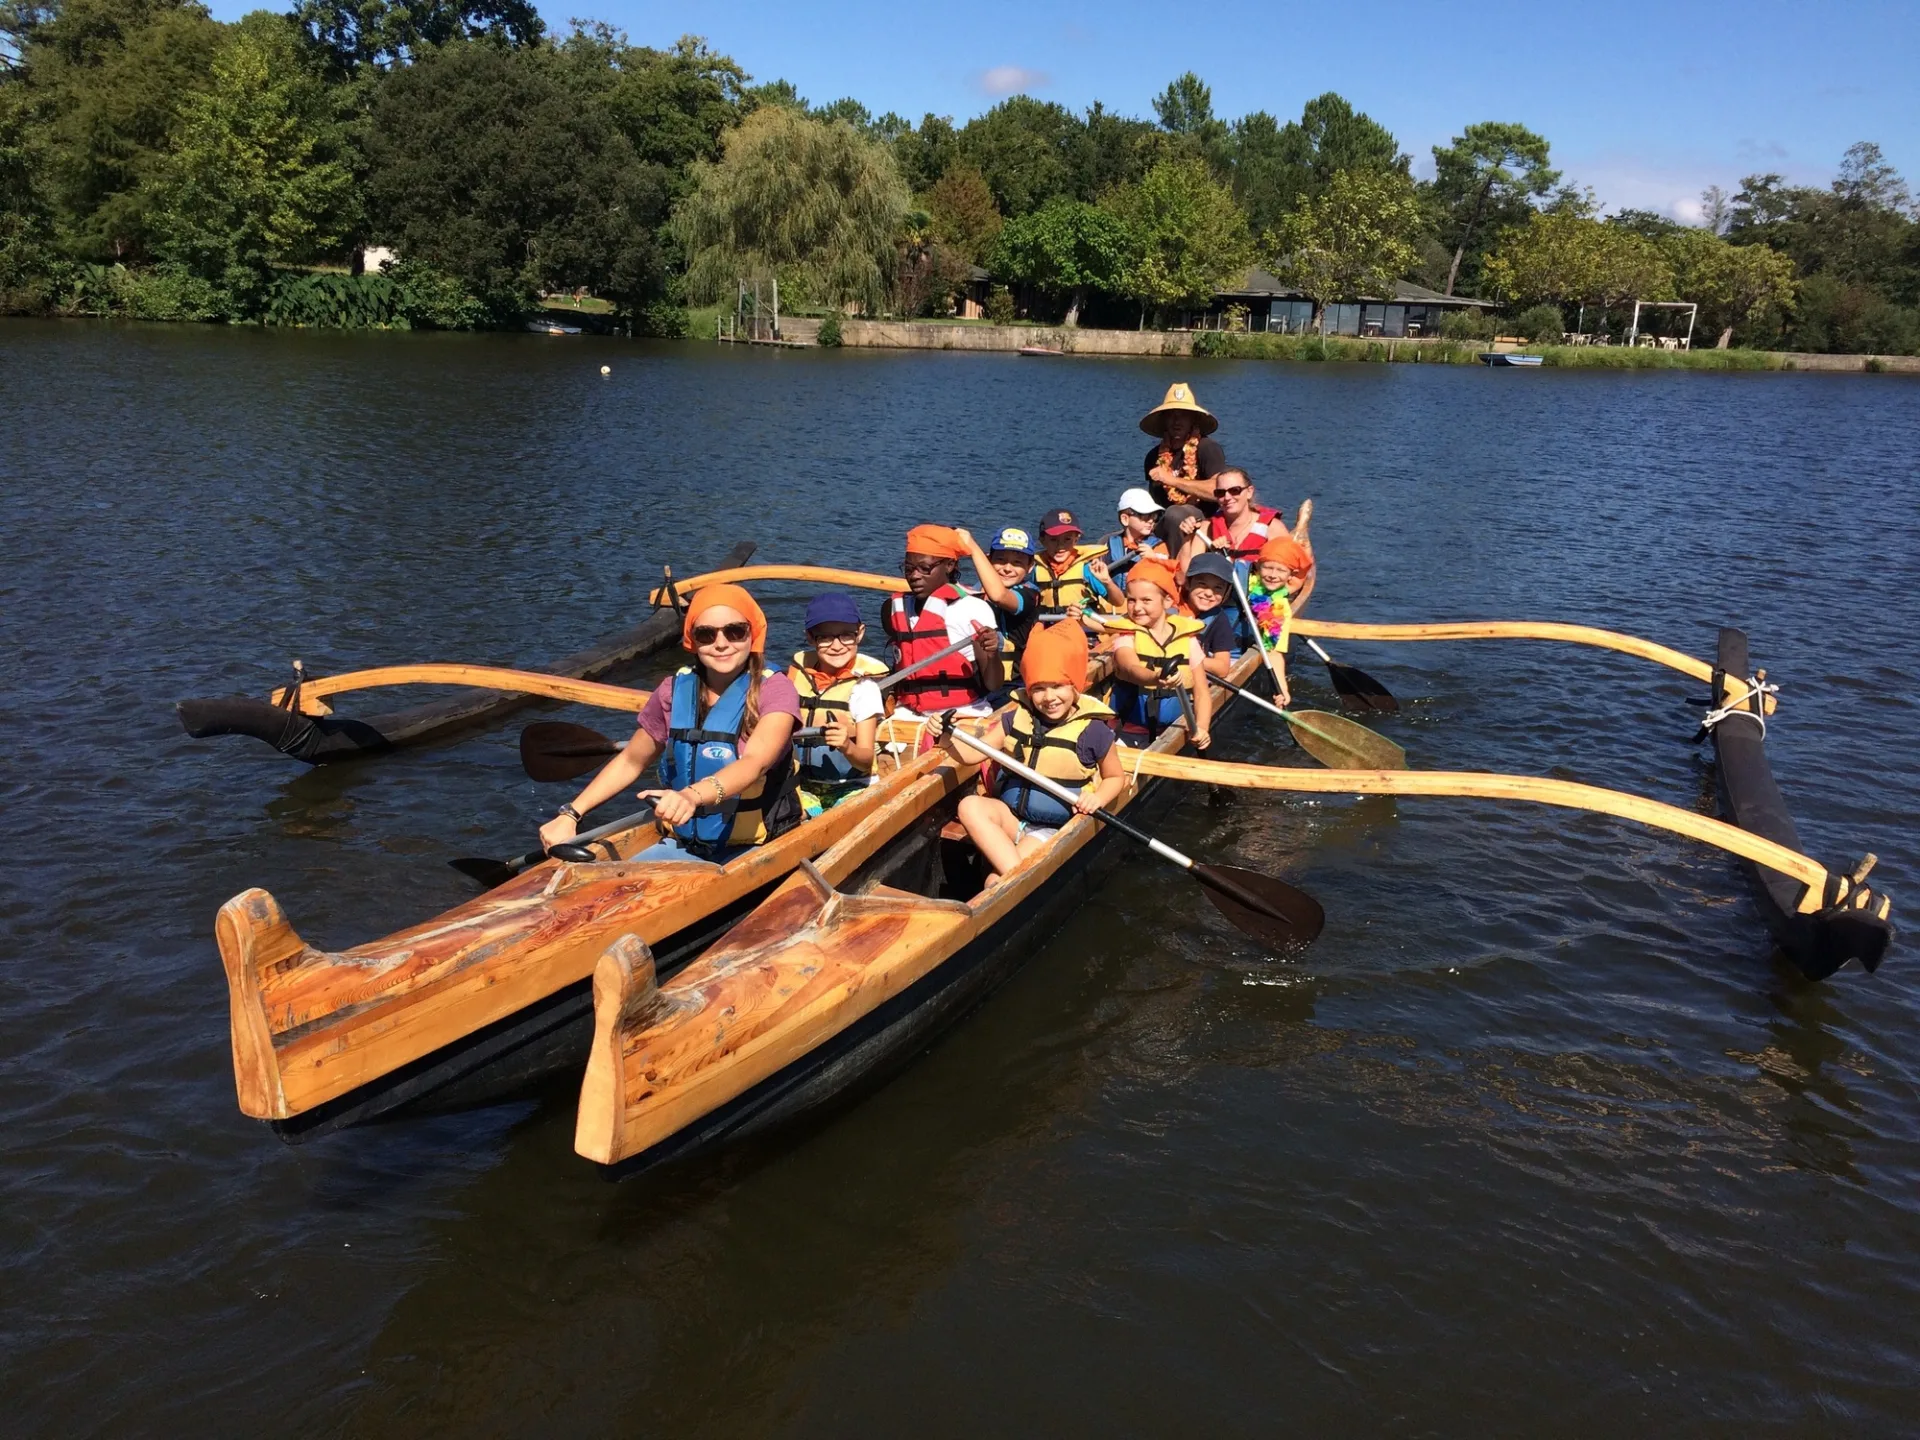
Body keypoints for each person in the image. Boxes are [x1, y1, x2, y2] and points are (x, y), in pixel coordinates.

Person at [538, 584, 800, 861]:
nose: (721, 643)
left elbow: (755, 762)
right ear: (692, 640)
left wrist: (690, 796)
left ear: (753, 633)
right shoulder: (672, 691)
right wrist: (571, 814)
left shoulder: (776, 690)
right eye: (706, 634)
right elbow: (631, 761)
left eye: (735, 631)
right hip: (682, 838)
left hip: (760, 842)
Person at [950, 620, 1126, 886]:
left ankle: (1010, 883)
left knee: (993, 883)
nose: (1049, 697)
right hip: (1010, 817)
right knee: (969, 805)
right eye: (1038, 688)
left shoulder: (1093, 731)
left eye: (1058, 686)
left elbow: (1115, 777)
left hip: (1051, 828)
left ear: (1075, 686)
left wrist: (1098, 798)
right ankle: (1020, 878)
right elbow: (974, 754)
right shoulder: (1015, 719)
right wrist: (945, 738)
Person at [881, 523, 1004, 715]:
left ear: (949, 565)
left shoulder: (972, 609)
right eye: (908, 568)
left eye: (924, 568)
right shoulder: (894, 608)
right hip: (907, 713)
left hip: (962, 712)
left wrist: (992, 653)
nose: (914, 576)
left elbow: (993, 684)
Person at [788, 592, 891, 816]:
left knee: (842, 818)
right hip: (803, 784)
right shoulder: (794, 680)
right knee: (787, 813)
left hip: (852, 786)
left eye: (846, 635)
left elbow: (864, 760)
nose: (836, 646)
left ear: (860, 633)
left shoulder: (864, 689)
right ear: (810, 637)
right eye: (825, 637)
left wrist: (847, 746)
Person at [1106, 556, 1214, 748]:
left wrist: (1202, 728)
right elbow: (1130, 667)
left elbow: (1201, 692)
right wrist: (1155, 678)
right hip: (1129, 730)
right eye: (1131, 600)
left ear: (1167, 601)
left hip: (1174, 729)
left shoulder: (1187, 639)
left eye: (1146, 600)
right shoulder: (1127, 637)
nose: (1137, 607)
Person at [954, 525, 1042, 668]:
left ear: (1030, 566)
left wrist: (973, 548)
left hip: (1011, 680)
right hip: (976, 672)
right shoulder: (975, 591)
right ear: (989, 561)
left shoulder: (1030, 595)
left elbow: (999, 596)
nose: (1007, 568)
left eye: (1017, 563)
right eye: (1000, 560)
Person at [1245, 532, 1313, 706]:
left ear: (1291, 574)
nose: (1273, 575)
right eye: (1268, 568)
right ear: (1258, 567)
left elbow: (1274, 652)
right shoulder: (1245, 580)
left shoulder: (1280, 609)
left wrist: (1282, 688)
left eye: (1281, 570)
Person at [1141, 382, 1228, 510]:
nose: (1177, 421)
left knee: (1175, 514)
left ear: (1193, 420)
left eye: (1183, 415)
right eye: (1172, 415)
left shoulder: (1208, 448)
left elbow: (1218, 491)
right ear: (1164, 420)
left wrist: (1171, 480)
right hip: (1163, 520)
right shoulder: (1153, 456)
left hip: (1201, 521)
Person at [1033, 507, 1123, 619]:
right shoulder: (1036, 570)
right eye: (1053, 540)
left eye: (1067, 539)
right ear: (1043, 540)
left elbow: (1119, 602)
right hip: (1047, 628)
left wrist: (1107, 581)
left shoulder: (1087, 570)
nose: (1060, 546)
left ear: (1076, 539)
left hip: (1083, 630)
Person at [1181, 552, 1248, 678]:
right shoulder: (1170, 607)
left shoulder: (1219, 619)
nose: (1209, 593)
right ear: (1188, 583)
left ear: (1226, 594)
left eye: (1218, 588)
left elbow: (1222, 668)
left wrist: (1186, 659)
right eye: (1202, 584)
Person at [1203, 468, 1287, 567]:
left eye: (1234, 490)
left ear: (1249, 492)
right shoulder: (1206, 527)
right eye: (1220, 493)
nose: (1227, 497)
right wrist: (1188, 536)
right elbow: (1183, 576)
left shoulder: (1273, 528)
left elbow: (1289, 571)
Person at [1103, 488, 1170, 581]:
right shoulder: (1109, 544)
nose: (1151, 521)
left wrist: (1154, 559)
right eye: (1145, 516)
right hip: (1114, 594)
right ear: (1125, 519)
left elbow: (1168, 576)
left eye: (1154, 516)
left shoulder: (1158, 547)